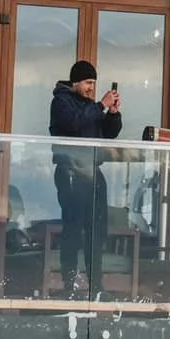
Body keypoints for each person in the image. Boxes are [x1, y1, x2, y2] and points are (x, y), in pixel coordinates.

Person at [49, 60, 122, 297]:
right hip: (70, 171)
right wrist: (101, 104)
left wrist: (113, 114)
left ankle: (96, 287)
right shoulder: (61, 101)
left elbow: (108, 134)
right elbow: (74, 123)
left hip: (92, 171)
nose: (91, 87)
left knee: (96, 231)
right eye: (88, 82)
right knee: (73, 229)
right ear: (76, 82)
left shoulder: (90, 106)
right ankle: (68, 285)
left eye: (94, 83)